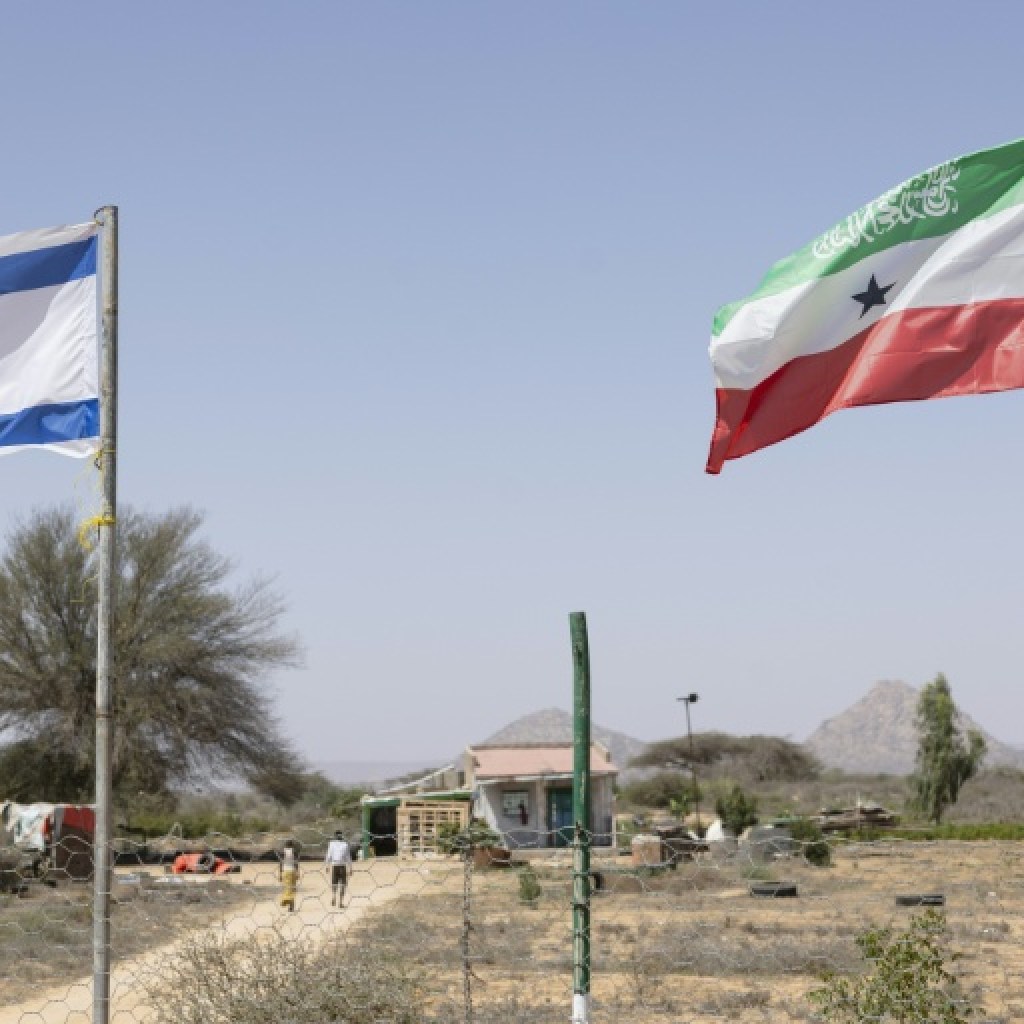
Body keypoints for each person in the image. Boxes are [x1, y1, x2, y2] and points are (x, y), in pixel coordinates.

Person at [324, 829, 353, 907]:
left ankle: (333, 896)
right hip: (342, 866)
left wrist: (327, 865)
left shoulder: (331, 844)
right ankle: (340, 902)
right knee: (343, 884)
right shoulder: (345, 844)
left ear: (334, 836)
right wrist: (350, 868)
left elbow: (328, 855)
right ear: (342, 836)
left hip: (335, 865)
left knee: (334, 882)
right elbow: (348, 857)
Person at [279, 838, 300, 912]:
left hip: (285, 871)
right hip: (293, 871)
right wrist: (297, 872)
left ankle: (286, 900)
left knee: (287, 887)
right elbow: (296, 862)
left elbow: (281, 863)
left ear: (285, 845)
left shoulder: (283, 852)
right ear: (292, 845)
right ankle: (292, 905)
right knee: (292, 888)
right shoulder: (294, 851)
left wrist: (280, 873)